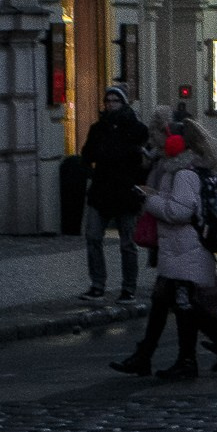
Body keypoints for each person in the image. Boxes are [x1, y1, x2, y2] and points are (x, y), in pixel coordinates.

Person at [108, 120, 217, 379]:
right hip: (177, 251)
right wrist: (154, 195)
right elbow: (176, 204)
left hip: (187, 250)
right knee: (164, 303)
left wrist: (148, 199)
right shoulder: (175, 170)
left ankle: (190, 360)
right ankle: (146, 357)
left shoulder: (184, 173)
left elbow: (180, 211)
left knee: (187, 307)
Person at [80, 85, 150, 301]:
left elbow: (145, 160)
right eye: (107, 100)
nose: (110, 104)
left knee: (127, 243)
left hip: (125, 192)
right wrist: (91, 172)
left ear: (123, 103)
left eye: (115, 100)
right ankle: (97, 284)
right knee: (93, 237)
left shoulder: (137, 129)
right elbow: (86, 154)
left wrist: (137, 185)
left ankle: (128, 288)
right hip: (101, 191)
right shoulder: (97, 129)